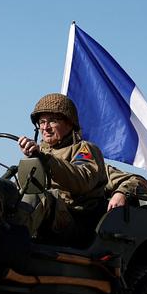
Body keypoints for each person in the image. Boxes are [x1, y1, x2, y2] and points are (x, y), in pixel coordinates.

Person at [15, 93, 108, 245]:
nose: (45, 127)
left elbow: (81, 179)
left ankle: (11, 246)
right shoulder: (40, 152)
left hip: (74, 221)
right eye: (42, 122)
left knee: (40, 196)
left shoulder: (84, 149)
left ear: (70, 123)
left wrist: (45, 159)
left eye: (52, 121)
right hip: (47, 219)